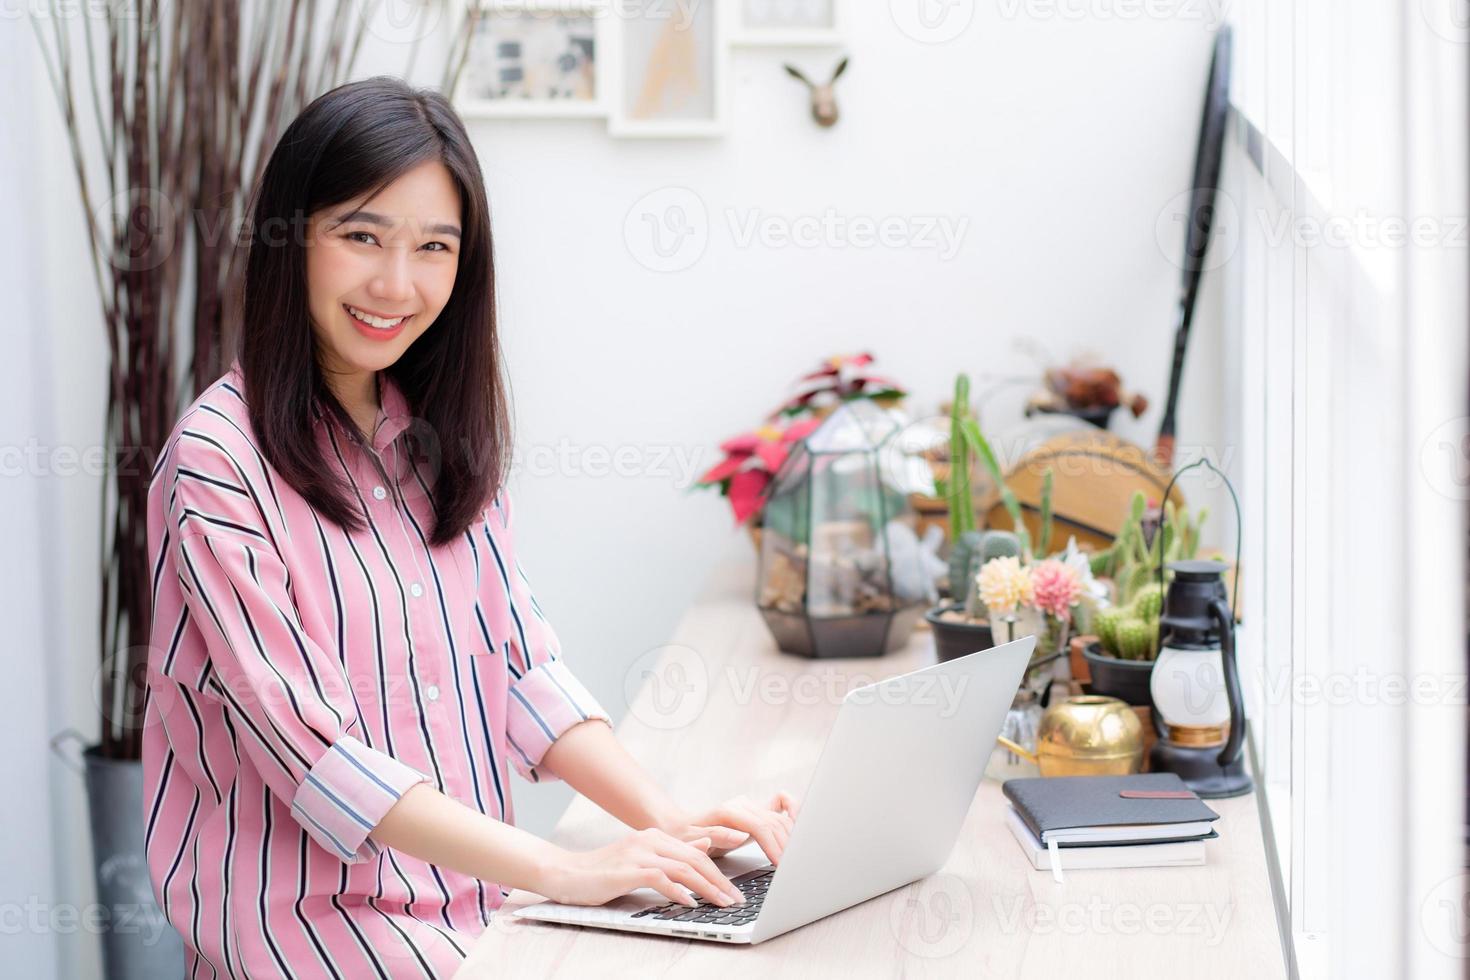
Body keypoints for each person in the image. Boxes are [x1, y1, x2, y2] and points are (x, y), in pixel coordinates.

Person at [142, 76, 799, 979]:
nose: (396, 283)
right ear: (289, 241)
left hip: (477, 907)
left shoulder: (437, 439)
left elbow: (521, 674)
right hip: (316, 938)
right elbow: (313, 752)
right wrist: (569, 870)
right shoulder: (217, 461)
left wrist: (668, 822)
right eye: (361, 236)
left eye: (433, 247)